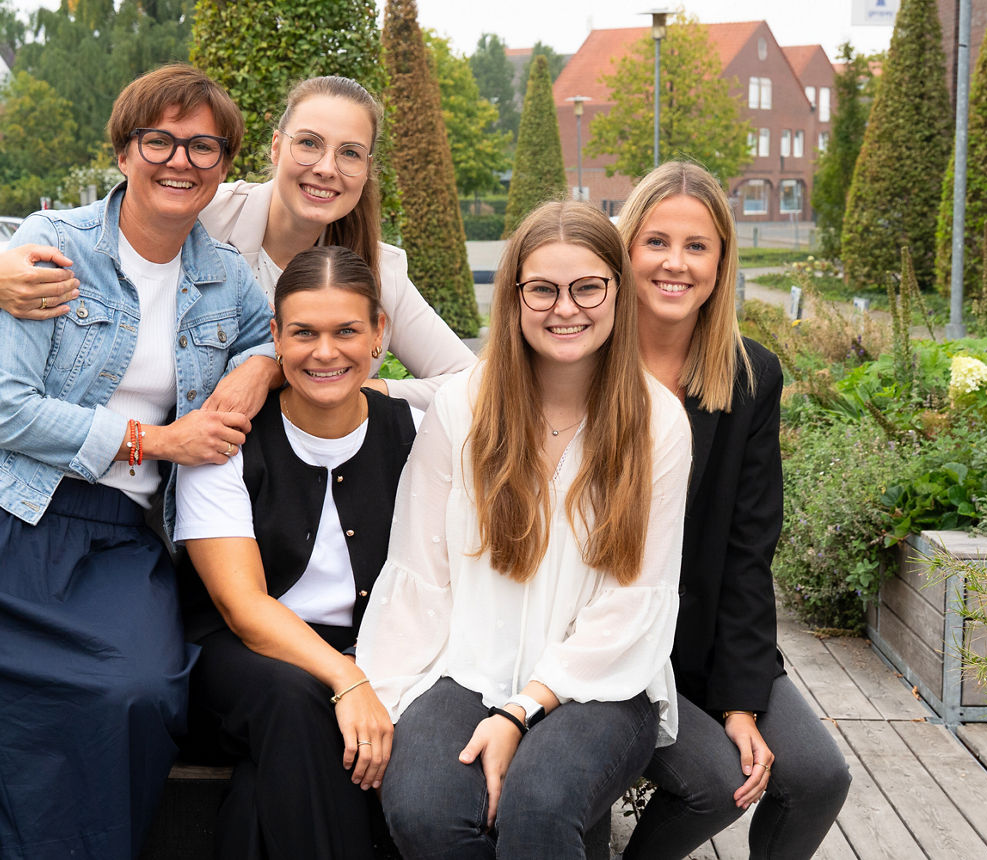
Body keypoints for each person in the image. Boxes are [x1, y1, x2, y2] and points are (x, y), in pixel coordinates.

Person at [0, 64, 279, 860]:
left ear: (223, 170)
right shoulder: (52, 247)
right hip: (2, 521)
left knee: (142, 690)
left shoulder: (226, 277)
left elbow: (275, 333)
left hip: (116, 534)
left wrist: (259, 366)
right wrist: (155, 442)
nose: (180, 161)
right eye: (160, 140)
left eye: (203, 146)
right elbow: (8, 414)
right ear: (124, 152)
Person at [356, 200, 692, 860]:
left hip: (599, 682)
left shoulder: (657, 424)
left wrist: (522, 710)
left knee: (538, 810)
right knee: (425, 810)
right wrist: (387, 702)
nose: (565, 308)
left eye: (587, 286)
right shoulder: (464, 407)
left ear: (617, 293)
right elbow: (419, 573)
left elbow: (635, 603)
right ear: (514, 297)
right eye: (542, 288)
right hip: (463, 664)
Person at [0, 75, 475, 411]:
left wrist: (352, 387)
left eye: (350, 153)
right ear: (276, 147)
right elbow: (87, 236)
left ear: (366, 170)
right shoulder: (202, 206)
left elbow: (467, 381)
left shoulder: (378, 269)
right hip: (191, 475)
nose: (325, 168)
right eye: (310, 143)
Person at [616, 161, 850, 860]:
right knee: (714, 782)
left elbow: (750, 552)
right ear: (626, 249)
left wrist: (741, 704)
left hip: (709, 637)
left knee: (816, 777)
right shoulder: (586, 364)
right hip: (613, 645)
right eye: (656, 242)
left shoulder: (750, 376)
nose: (675, 264)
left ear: (721, 260)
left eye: (697, 246)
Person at [173, 245, 419, 859]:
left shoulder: (412, 430)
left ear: (378, 334)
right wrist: (345, 677)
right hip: (238, 658)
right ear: (276, 338)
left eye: (347, 331)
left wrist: (365, 669)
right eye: (304, 332)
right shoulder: (226, 439)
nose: (325, 352)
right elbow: (242, 608)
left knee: (272, 776)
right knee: (294, 697)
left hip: (372, 647)